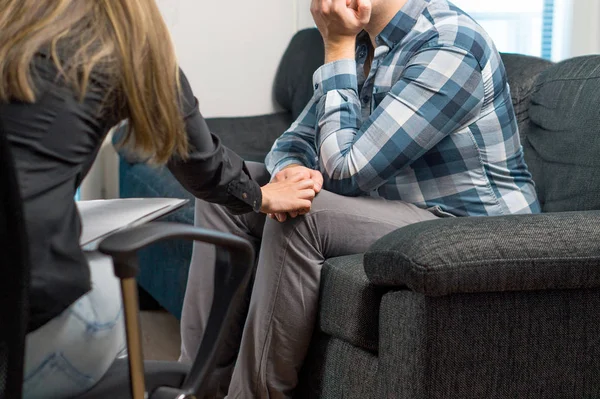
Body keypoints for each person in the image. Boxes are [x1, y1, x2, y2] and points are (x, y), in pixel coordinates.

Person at [180, 0, 541, 397]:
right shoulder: (369, 44)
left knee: (306, 212)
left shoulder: (450, 44)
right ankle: (195, 386)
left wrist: (336, 47)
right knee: (232, 190)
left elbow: (347, 172)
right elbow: (293, 141)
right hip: (395, 206)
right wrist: (289, 174)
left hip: (469, 230)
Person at [0, 1, 318, 398]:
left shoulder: (10, 28)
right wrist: (260, 195)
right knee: (97, 269)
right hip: (30, 321)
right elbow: (200, 162)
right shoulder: (128, 41)